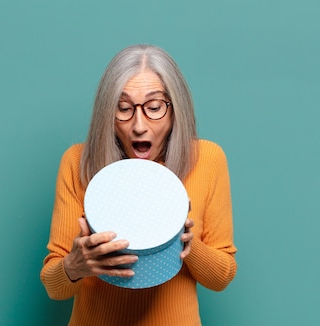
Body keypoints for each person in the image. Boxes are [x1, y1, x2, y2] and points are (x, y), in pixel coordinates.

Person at [40, 44, 237, 326]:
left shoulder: (207, 159)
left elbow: (222, 277)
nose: (139, 125)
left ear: (174, 109)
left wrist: (187, 244)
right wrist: (75, 265)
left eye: (154, 107)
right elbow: (53, 287)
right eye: (123, 108)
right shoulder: (77, 162)